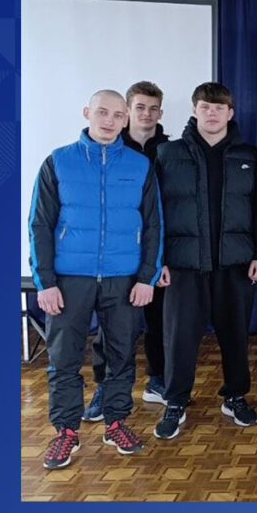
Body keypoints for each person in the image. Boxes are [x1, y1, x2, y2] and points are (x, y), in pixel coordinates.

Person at [29, 90, 162, 469]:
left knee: (121, 355)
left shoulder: (140, 165)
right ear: (87, 112)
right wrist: (45, 282)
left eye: (118, 115)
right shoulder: (58, 162)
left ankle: (115, 422)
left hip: (124, 280)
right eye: (102, 112)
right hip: (69, 280)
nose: (109, 121)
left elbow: (154, 225)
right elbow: (39, 224)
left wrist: (147, 277)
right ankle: (66, 431)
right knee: (63, 359)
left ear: (126, 120)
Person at [152, 82, 257, 440]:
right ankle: (175, 401)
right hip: (184, 265)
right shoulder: (167, 154)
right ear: (194, 110)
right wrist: (158, 261)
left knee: (235, 336)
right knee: (179, 338)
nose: (212, 113)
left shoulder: (249, 155)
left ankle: (235, 397)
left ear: (230, 113)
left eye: (219, 108)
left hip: (235, 264)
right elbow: (154, 213)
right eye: (205, 107)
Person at [83, 81, 170, 422]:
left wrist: (162, 260)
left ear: (160, 113)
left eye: (153, 108)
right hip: (116, 258)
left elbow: (168, 210)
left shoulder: (172, 150)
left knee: (160, 323)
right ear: (128, 112)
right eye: (140, 107)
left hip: (155, 254)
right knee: (111, 329)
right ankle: (105, 388)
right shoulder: (110, 148)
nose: (146, 114)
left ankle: (157, 379)